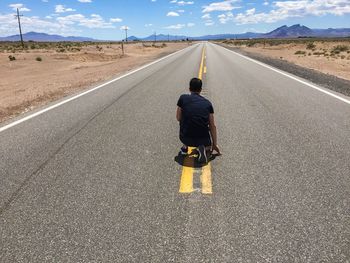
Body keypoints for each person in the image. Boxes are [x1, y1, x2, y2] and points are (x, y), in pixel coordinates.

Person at [176, 78, 221, 163]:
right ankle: (203, 147)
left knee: (186, 120)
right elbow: (212, 126)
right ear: (200, 90)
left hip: (185, 137)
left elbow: (178, 118)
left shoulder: (182, 98)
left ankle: (185, 148)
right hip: (203, 139)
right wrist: (214, 144)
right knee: (207, 144)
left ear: (189, 88)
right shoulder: (208, 103)